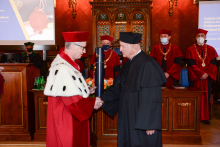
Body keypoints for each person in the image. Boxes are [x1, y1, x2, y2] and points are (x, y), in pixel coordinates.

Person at [97, 32, 167, 147]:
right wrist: (101, 99)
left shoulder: (148, 63)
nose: (120, 49)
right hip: (128, 117)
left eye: (123, 46)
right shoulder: (127, 64)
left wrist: (150, 123)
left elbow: (153, 96)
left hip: (142, 121)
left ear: (133, 46)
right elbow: (117, 89)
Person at [44, 31, 104, 147]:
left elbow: (70, 90)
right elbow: (73, 103)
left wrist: (85, 90)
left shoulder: (68, 64)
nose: (84, 51)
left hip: (67, 115)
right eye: (82, 48)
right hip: (67, 119)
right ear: (72, 46)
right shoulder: (63, 67)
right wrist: (92, 103)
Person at [185, 28, 218, 124]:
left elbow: (213, 63)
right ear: (195, 38)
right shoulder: (190, 49)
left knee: (206, 96)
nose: (200, 38)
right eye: (198, 36)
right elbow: (191, 64)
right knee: (195, 97)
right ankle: (194, 117)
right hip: (196, 78)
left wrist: (207, 74)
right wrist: (201, 74)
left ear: (205, 37)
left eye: (202, 36)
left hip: (207, 78)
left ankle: (205, 117)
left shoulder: (211, 49)